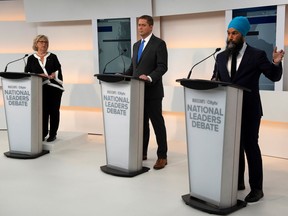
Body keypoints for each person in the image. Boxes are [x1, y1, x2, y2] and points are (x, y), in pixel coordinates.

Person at [212, 16, 285, 203]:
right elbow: (216, 78)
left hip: (249, 110)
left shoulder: (257, 55)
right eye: (228, 33)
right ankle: (238, 182)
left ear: (243, 35)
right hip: (228, 109)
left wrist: (276, 62)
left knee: (250, 147)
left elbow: (274, 76)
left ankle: (257, 188)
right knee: (233, 147)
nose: (230, 37)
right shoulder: (220, 56)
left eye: (234, 33)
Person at [124, 15, 168, 170]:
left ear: (151, 26)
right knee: (142, 125)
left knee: (157, 124)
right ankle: (142, 152)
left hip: (153, 92)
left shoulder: (159, 44)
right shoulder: (136, 45)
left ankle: (162, 156)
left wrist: (149, 77)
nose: (140, 28)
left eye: (143, 25)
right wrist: (122, 76)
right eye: (138, 25)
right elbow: (133, 68)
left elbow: (162, 67)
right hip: (138, 92)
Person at [25, 35, 64, 142]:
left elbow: (58, 71)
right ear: (36, 43)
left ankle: (53, 134)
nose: (44, 44)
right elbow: (27, 73)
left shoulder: (53, 57)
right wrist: (39, 75)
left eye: (46, 42)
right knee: (43, 112)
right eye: (41, 42)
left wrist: (53, 75)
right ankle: (43, 133)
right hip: (39, 88)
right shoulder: (31, 58)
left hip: (54, 88)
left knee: (54, 111)